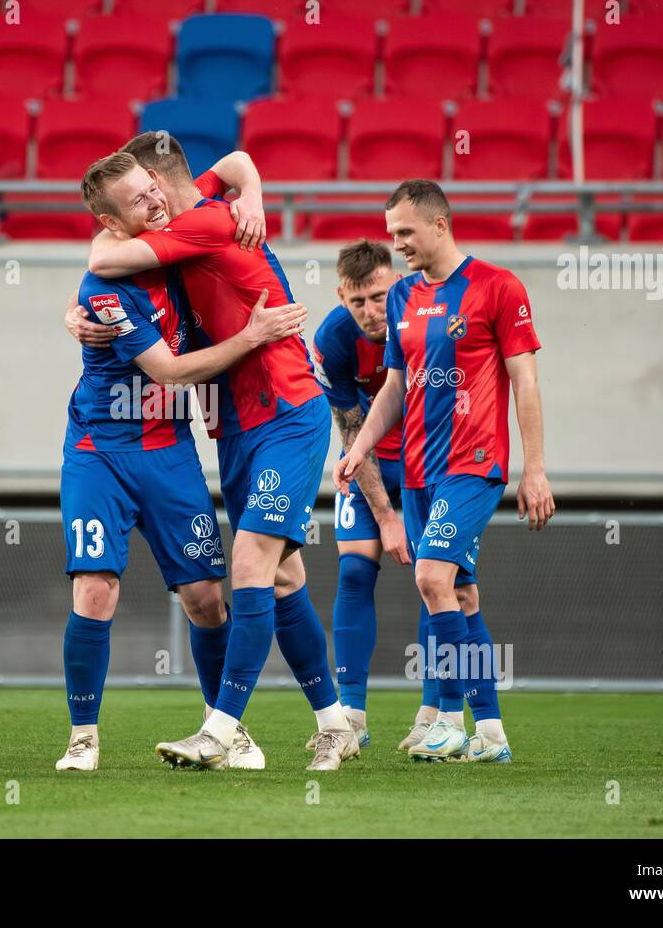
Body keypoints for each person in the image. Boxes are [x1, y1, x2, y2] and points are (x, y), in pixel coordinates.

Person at [87, 134, 359, 771]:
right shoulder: (204, 200)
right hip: (236, 423)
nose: (150, 202)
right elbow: (233, 163)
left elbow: (102, 260)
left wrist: (248, 193)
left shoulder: (204, 223)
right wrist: (254, 188)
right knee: (284, 576)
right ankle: (334, 722)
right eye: (137, 198)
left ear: (162, 179)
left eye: (149, 189)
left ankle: (222, 729)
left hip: (286, 410)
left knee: (248, 558)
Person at [336, 179, 555, 764]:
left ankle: (448, 719)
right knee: (459, 592)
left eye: (405, 232)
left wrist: (534, 469)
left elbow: (526, 380)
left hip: (474, 463)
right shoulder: (404, 295)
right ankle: (491, 734)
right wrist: (360, 449)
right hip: (416, 471)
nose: (398, 243)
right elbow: (396, 387)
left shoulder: (498, 287)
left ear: (440, 224)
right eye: (392, 234)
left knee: (431, 578)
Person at [310, 239, 413, 750]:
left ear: (395, 281)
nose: (371, 312)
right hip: (372, 460)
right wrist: (387, 516)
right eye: (358, 302)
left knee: (441, 581)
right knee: (352, 571)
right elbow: (352, 430)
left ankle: (437, 714)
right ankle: (351, 714)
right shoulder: (331, 338)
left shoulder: (425, 314)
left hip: (429, 460)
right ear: (341, 297)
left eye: (378, 296)